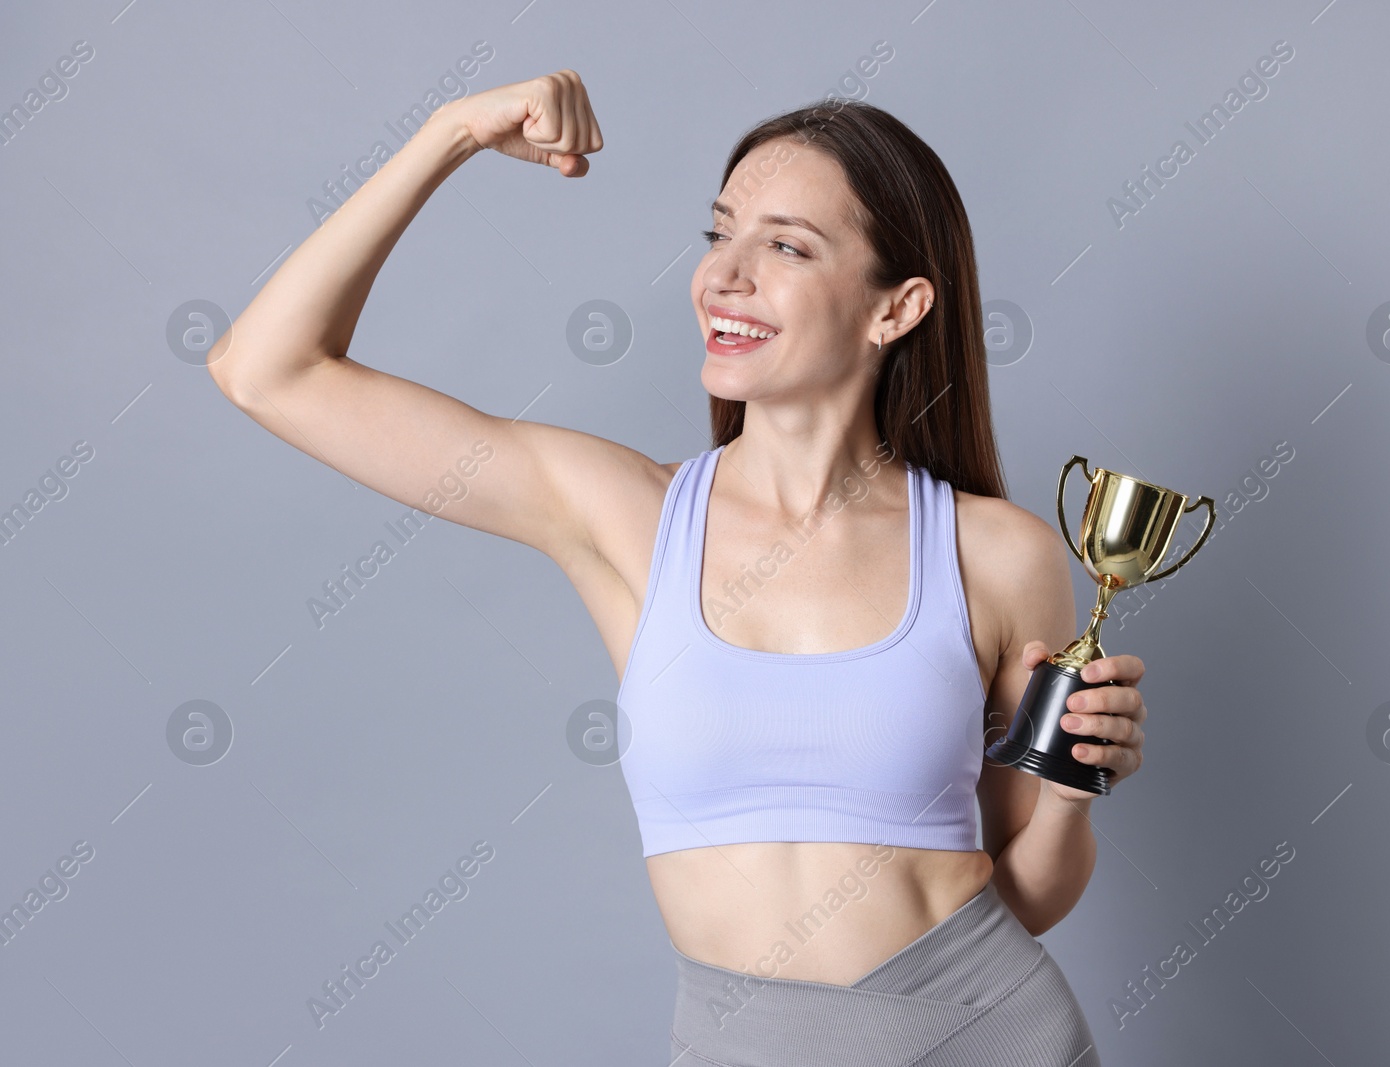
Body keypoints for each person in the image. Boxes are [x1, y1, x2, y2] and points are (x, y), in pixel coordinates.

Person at [207, 68, 1148, 1066]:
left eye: (784, 245)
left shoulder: (996, 552)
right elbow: (267, 367)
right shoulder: (625, 514)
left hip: (987, 1035)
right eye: (719, 234)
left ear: (897, 308)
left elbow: (1025, 891)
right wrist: (450, 131)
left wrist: (1071, 793)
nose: (723, 276)